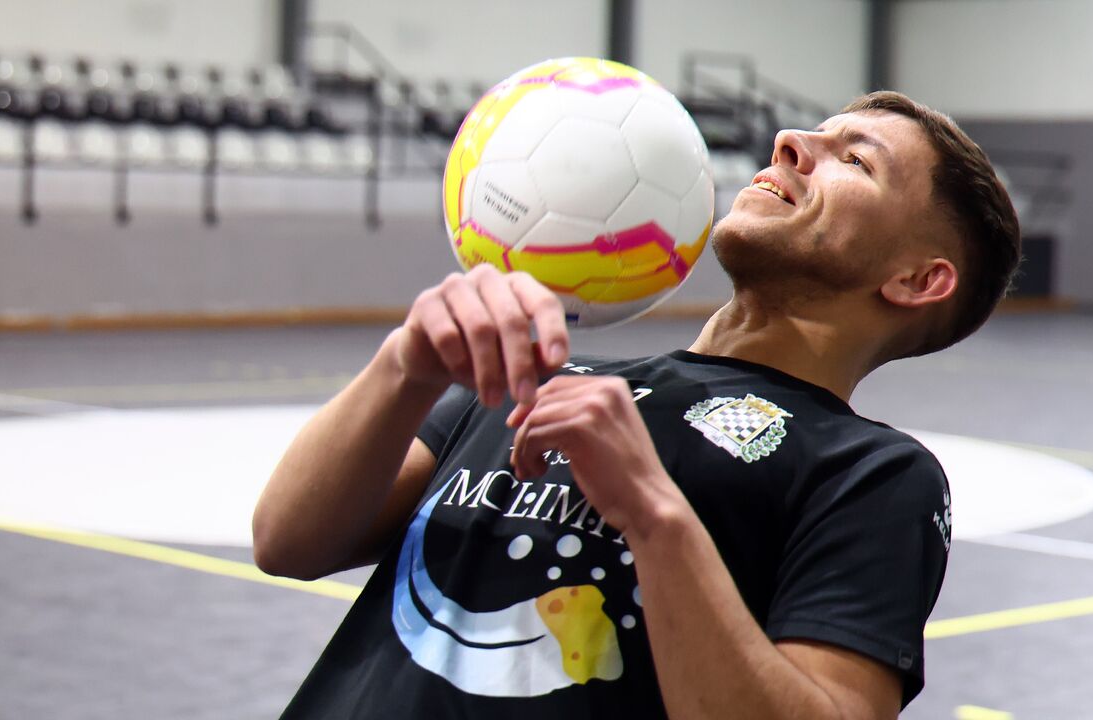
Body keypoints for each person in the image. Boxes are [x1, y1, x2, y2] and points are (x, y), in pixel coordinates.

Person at [253, 90, 1021, 720]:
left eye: (855, 159)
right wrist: (406, 366)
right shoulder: (545, 370)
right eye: (810, 133)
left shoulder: (872, 474)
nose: (789, 142)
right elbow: (289, 542)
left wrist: (653, 513)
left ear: (919, 280)